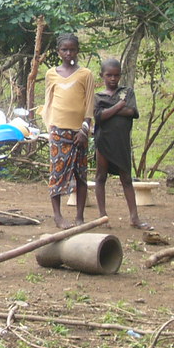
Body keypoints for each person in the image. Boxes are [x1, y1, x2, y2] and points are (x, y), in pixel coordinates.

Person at [41, 33, 95, 229]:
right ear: (58, 52)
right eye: (64, 49)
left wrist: (85, 128)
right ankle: (58, 216)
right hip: (58, 130)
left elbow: (89, 103)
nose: (68, 53)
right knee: (56, 172)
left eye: (72, 49)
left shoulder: (85, 74)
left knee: (81, 174)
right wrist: (50, 127)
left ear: (77, 51)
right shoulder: (51, 74)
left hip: (79, 132)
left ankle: (80, 216)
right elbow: (49, 101)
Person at [94, 58, 151, 230]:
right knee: (100, 177)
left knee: (126, 179)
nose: (112, 79)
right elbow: (98, 117)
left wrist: (109, 111)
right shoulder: (98, 96)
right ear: (102, 76)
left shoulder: (127, 92)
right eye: (109, 75)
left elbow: (132, 112)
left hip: (121, 142)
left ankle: (134, 217)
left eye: (116, 75)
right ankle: (102, 216)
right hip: (103, 141)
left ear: (120, 75)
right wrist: (118, 106)